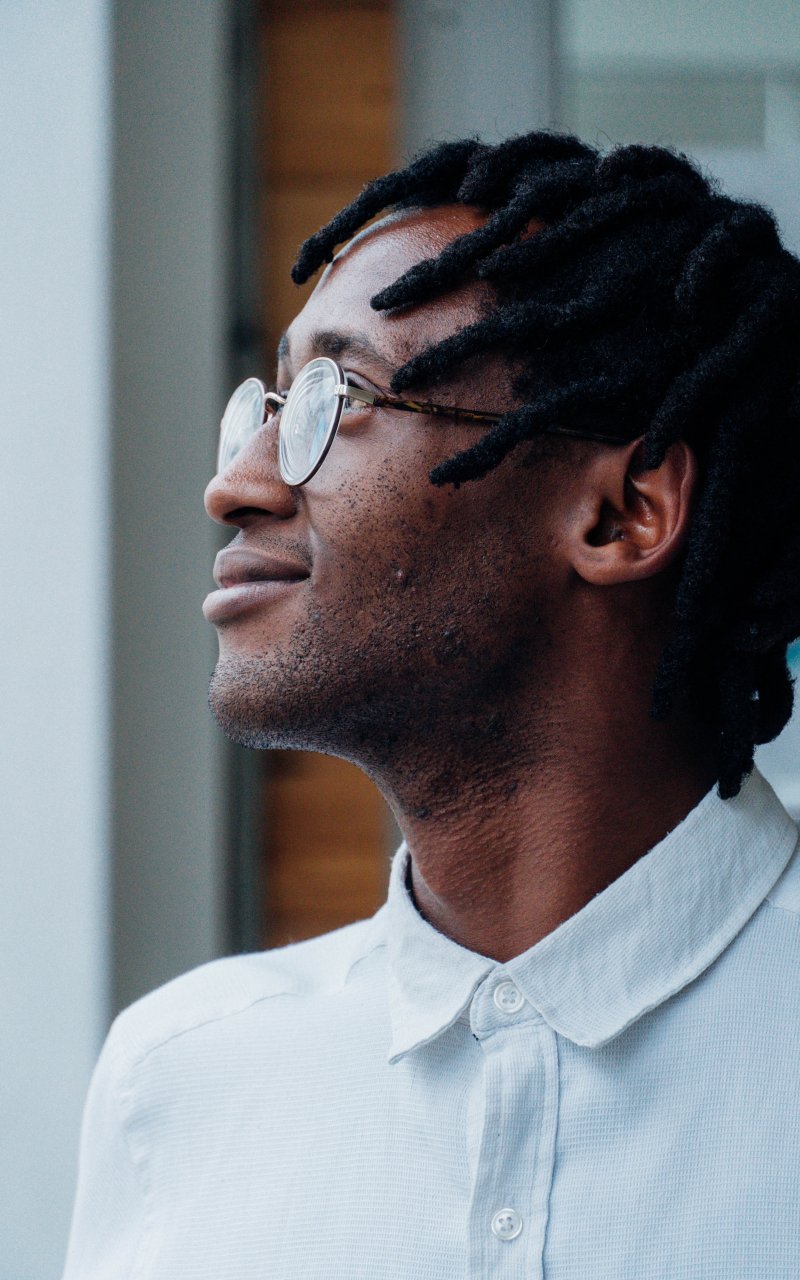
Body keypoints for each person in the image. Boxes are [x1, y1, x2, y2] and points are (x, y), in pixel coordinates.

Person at [62, 131, 800, 1278]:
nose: (236, 482)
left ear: (617, 514)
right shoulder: (178, 1080)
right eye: (266, 403)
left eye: (337, 396)